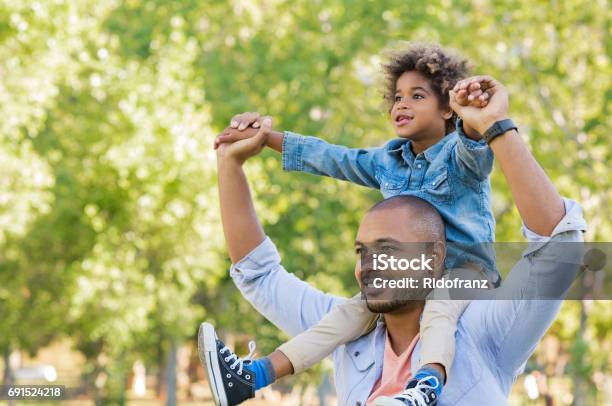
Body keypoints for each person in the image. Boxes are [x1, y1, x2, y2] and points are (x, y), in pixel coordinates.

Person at [199, 73, 586, 406]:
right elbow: (259, 274)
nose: (368, 265)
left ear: (434, 256)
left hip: (466, 278)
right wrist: (231, 162)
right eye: (361, 252)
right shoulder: (352, 335)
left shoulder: (487, 331)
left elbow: (559, 249)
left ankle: (425, 385)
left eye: (387, 251)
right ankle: (253, 376)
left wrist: (494, 126)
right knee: (338, 320)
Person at [210, 44, 499, 404]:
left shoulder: (460, 157)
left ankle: (426, 383)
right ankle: (254, 376)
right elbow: (332, 157)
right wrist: (265, 138)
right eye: (396, 98)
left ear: (446, 109)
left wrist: (474, 115)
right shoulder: (389, 160)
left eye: (417, 96)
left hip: (468, 271)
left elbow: (476, 143)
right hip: (410, 271)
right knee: (346, 315)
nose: (401, 105)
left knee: (440, 305)